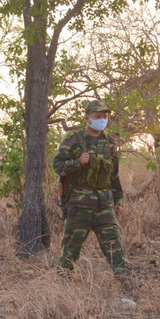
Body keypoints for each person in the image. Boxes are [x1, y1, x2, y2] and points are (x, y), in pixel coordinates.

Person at [53, 99, 129, 276]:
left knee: (114, 245)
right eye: (97, 116)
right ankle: (62, 284)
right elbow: (58, 166)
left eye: (104, 116)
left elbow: (113, 175)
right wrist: (78, 162)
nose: (102, 119)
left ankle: (126, 280)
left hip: (104, 205)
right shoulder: (74, 140)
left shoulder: (109, 142)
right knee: (70, 249)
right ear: (87, 118)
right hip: (79, 205)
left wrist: (118, 200)